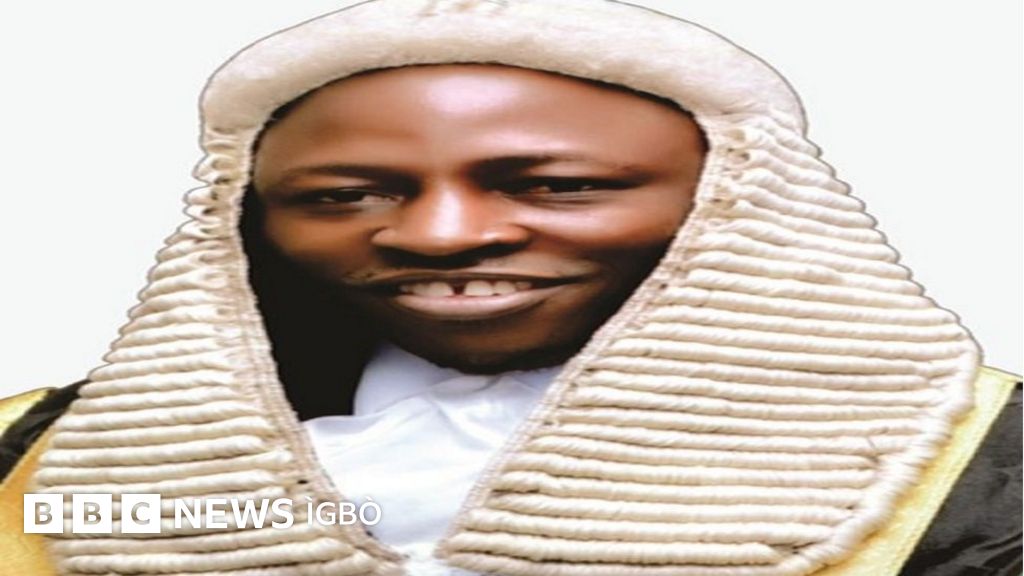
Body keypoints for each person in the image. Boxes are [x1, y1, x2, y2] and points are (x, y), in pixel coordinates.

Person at [0, 1, 1019, 575]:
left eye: (560, 186)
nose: (440, 236)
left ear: (739, 201)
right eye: (343, 195)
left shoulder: (991, 470)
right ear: (249, 218)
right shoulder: (27, 455)